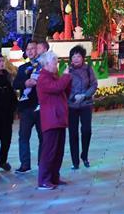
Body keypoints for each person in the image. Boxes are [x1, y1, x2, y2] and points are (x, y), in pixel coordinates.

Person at [36, 50, 71, 190]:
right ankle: (44, 180)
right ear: (46, 64)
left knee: (58, 151)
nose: (56, 66)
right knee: (49, 151)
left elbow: (64, 90)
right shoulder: (43, 78)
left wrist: (67, 79)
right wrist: (66, 77)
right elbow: (57, 88)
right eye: (54, 63)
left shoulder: (54, 77)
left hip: (59, 118)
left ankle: (54, 177)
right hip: (51, 119)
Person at [13, 39, 43, 174]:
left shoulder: (44, 66)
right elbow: (15, 84)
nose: (30, 51)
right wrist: (26, 83)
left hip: (41, 106)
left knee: (43, 137)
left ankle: (42, 163)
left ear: (38, 50)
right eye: (28, 49)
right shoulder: (22, 68)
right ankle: (25, 164)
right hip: (26, 108)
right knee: (24, 137)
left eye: (33, 48)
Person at [66, 45, 97, 169]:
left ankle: (84, 155)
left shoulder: (88, 69)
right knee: (73, 133)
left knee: (86, 131)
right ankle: (75, 161)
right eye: (74, 56)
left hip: (85, 104)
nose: (76, 59)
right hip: (72, 105)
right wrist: (73, 96)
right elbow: (63, 86)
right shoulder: (68, 70)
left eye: (78, 56)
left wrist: (84, 95)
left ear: (83, 58)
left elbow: (94, 84)